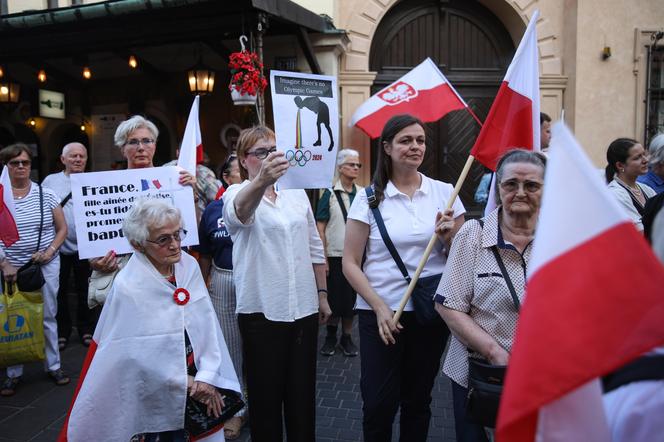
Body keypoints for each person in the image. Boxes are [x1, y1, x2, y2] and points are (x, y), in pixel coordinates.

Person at [60, 198, 240, 441]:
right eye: (164, 239)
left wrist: (207, 376)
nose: (176, 245)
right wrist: (188, 384)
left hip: (196, 373)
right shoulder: (128, 285)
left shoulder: (189, 267)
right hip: (155, 386)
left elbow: (207, 326)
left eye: (178, 234)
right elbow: (131, 353)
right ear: (138, 244)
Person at [343, 114, 466, 442]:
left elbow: (465, 260)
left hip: (429, 313)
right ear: (387, 147)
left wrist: (448, 237)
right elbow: (350, 262)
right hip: (380, 317)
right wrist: (379, 307)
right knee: (378, 405)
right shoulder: (369, 198)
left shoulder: (446, 194)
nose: (415, 147)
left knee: (417, 401)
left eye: (420, 140)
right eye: (406, 140)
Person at [223, 125, 331, 442]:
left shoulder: (296, 194)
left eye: (274, 150)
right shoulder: (236, 193)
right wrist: (261, 181)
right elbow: (240, 213)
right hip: (261, 310)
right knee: (265, 400)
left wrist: (322, 294)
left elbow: (314, 245)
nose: (270, 156)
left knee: (301, 397)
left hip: (303, 308)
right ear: (244, 160)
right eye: (260, 152)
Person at [435, 149, 545, 442]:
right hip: (478, 373)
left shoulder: (558, 239)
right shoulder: (472, 234)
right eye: (511, 184)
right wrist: (496, 353)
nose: (520, 192)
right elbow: (448, 305)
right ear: (499, 188)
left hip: (540, 377)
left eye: (531, 185)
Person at [89, 116, 196, 280]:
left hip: (167, 268)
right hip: (124, 270)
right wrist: (96, 261)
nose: (141, 147)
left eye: (147, 141)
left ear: (155, 145)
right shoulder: (106, 187)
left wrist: (190, 196)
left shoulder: (174, 181)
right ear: (122, 149)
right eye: (132, 142)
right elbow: (96, 233)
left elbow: (190, 229)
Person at [0, 144, 69, 397]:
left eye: (25, 163)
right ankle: (13, 373)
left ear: (30, 166)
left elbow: (62, 229)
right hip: (8, 267)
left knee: (48, 314)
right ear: (6, 166)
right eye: (14, 163)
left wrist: (50, 252)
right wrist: (4, 263)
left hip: (44, 264)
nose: (20, 167)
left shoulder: (46, 194)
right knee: (11, 318)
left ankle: (54, 366)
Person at [196, 154, 246, 439]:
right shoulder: (214, 209)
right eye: (239, 171)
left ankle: (258, 404)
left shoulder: (263, 203)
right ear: (226, 178)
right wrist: (202, 285)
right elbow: (204, 251)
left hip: (256, 283)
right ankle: (236, 411)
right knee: (231, 349)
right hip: (223, 281)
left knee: (258, 348)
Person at [42, 142, 96, 350]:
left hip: (86, 246)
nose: (77, 159)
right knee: (59, 290)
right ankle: (62, 330)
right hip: (57, 246)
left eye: (81, 156)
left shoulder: (93, 180)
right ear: (63, 159)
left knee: (86, 289)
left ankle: (86, 329)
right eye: (73, 156)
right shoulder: (50, 181)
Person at [317, 148, 362, 357]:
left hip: (357, 257)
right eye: (351, 164)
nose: (356, 168)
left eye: (358, 165)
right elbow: (320, 227)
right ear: (341, 167)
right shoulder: (329, 193)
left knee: (352, 300)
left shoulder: (363, 194)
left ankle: (347, 337)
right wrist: (323, 258)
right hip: (335, 255)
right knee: (335, 299)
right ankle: (330, 336)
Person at [605, 138, 656, 232]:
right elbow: (639, 231)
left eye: (644, 154)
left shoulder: (646, 189)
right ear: (620, 165)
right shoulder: (616, 194)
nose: (645, 160)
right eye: (637, 158)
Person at [165, 148, 220, 219]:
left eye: (191, 152)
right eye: (184, 152)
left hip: (199, 220)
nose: (187, 156)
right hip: (170, 219)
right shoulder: (166, 169)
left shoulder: (205, 173)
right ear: (177, 152)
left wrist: (195, 188)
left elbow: (215, 201)